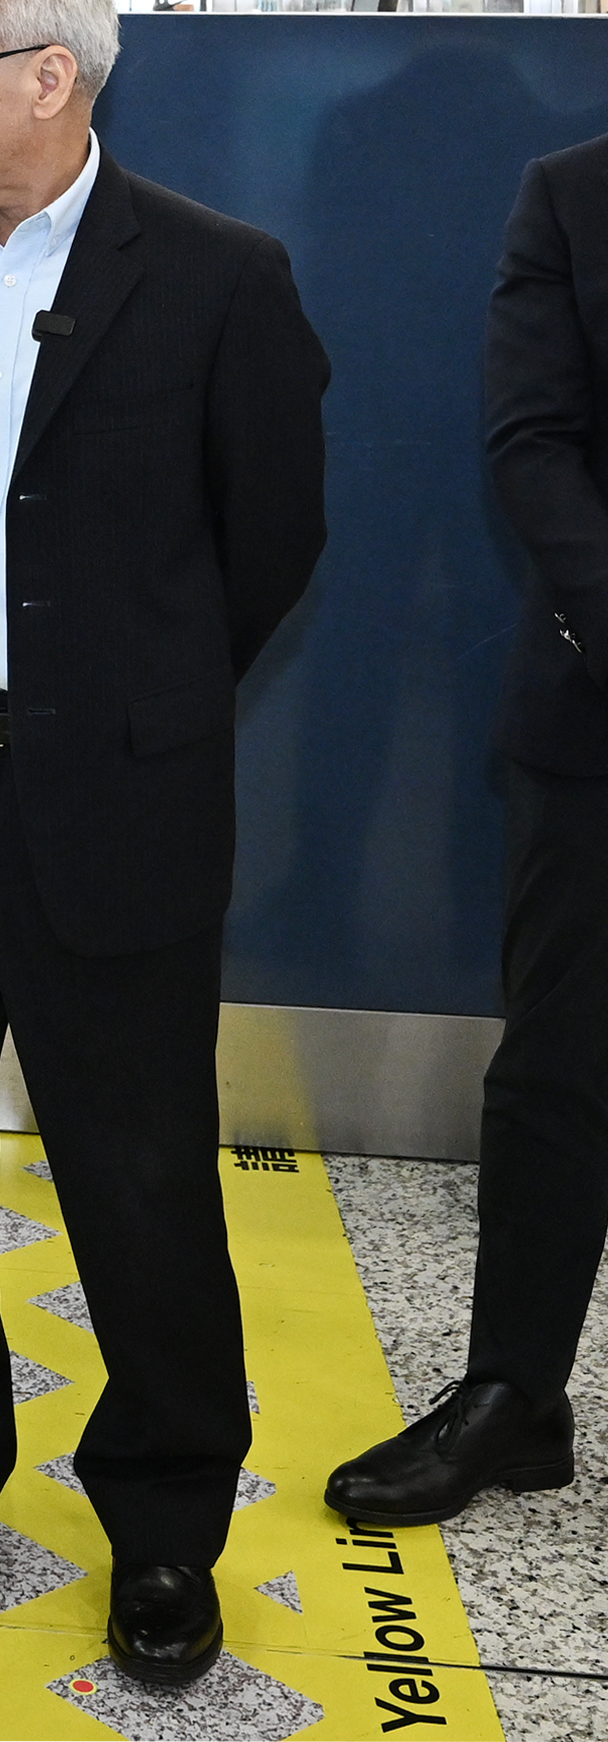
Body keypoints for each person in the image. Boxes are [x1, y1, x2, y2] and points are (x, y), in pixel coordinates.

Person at [0, 0, 328, 1687]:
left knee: (137, 1175)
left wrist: (122, 705)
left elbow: (270, 544)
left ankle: (166, 1521)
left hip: (110, 803)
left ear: (52, 77)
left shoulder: (216, 278)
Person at [325, 136, 608, 1528]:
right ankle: (515, 1395)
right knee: (561, 1063)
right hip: (602, 703)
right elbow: (533, 439)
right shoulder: (576, 192)